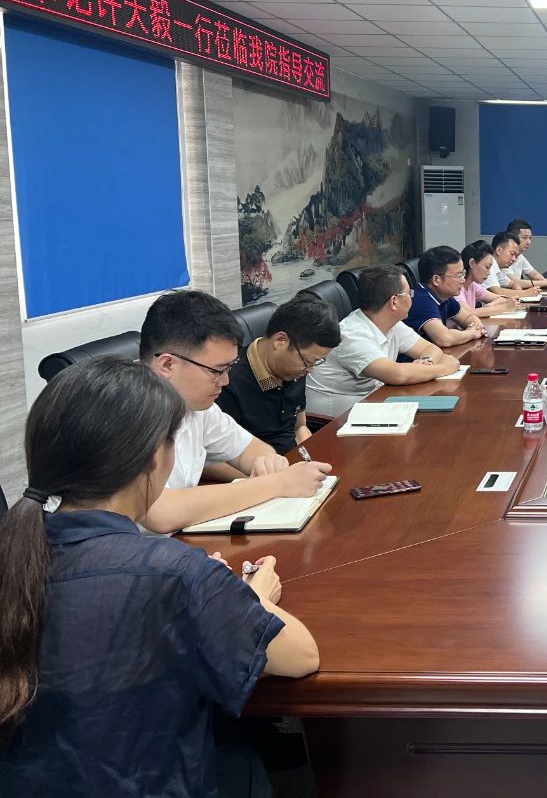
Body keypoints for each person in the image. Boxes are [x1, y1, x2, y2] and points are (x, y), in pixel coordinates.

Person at [0, 357, 319, 796]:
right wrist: (254, 596)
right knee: (244, 765)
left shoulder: (17, 551)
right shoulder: (177, 574)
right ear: (156, 456)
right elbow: (302, 656)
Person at [140, 291, 332, 535]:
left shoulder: (195, 404)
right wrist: (276, 483)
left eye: (229, 368)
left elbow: (249, 449)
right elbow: (160, 512)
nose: (225, 381)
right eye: (217, 371)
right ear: (168, 364)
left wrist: (268, 462)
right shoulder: (123, 407)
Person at [306, 264, 459, 416]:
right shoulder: (352, 335)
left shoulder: (392, 323)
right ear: (394, 301)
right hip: (334, 420)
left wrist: (426, 363)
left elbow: (430, 349)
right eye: (409, 293)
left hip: (371, 402)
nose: (412, 297)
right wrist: (444, 368)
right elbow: (398, 374)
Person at [217, 294, 341, 454]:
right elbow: (218, 457)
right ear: (280, 341)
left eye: (315, 362)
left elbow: (299, 426)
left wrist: (308, 455)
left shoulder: (295, 370)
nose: (310, 370)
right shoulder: (227, 382)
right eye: (308, 362)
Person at [406, 246, 486, 347]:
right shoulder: (421, 301)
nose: (463, 280)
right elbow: (444, 339)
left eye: (463, 274)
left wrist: (476, 327)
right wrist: (472, 333)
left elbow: (467, 317)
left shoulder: (443, 296)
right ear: (436, 280)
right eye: (458, 276)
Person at [458, 240, 518, 318]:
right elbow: (468, 313)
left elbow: (500, 298)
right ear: (472, 263)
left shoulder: (473, 285)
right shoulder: (457, 287)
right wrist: (505, 307)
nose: (489, 273)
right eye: (487, 267)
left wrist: (491, 305)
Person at [505, 218, 547, 289]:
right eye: (525, 238)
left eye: (530, 238)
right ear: (512, 238)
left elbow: (534, 274)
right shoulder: (503, 257)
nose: (529, 242)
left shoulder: (520, 257)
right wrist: (546, 283)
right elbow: (516, 282)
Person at [486, 231, 532, 298]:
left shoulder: (498, 269)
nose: (514, 259)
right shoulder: (488, 265)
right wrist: (527, 293)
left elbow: (512, 284)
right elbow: (497, 292)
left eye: (515, 256)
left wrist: (517, 288)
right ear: (499, 250)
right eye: (512, 254)